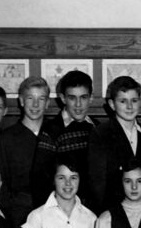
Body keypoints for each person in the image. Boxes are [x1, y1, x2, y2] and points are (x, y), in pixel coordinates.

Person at [31, 70, 96, 206]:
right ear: (63, 98)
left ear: (91, 98)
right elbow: (40, 181)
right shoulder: (51, 132)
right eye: (72, 98)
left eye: (83, 97)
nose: (78, 104)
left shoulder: (98, 128)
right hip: (61, 210)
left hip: (93, 210)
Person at [0, 76, 51, 227]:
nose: (35, 104)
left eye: (41, 99)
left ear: (47, 103)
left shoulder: (54, 133)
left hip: (52, 212)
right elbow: (1, 183)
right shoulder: (7, 138)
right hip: (18, 215)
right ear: (21, 101)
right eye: (30, 98)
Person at [86, 75, 141, 215]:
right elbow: (97, 183)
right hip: (112, 211)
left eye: (134, 100)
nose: (129, 106)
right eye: (123, 101)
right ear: (112, 104)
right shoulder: (101, 134)